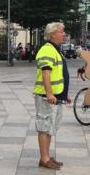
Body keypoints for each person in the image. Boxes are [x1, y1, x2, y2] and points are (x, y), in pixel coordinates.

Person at [34, 22, 70, 170]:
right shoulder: (47, 50)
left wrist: (64, 94)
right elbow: (46, 73)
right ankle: (44, 158)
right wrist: (49, 92)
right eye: (62, 32)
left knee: (49, 127)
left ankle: (47, 156)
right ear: (53, 34)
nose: (64, 34)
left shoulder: (55, 49)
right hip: (45, 95)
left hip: (55, 95)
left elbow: (58, 73)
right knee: (44, 126)